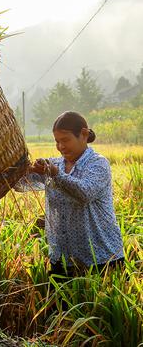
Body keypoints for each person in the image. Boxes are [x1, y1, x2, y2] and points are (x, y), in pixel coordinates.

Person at [16, 111, 124, 278]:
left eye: (65, 140)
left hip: (101, 259)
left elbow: (85, 193)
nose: (61, 146)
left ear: (84, 134)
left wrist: (55, 174)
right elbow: (21, 185)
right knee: (60, 304)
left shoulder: (98, 163)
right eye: (57, 141)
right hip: (61, 258)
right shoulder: (55, 164)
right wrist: (20, 170)